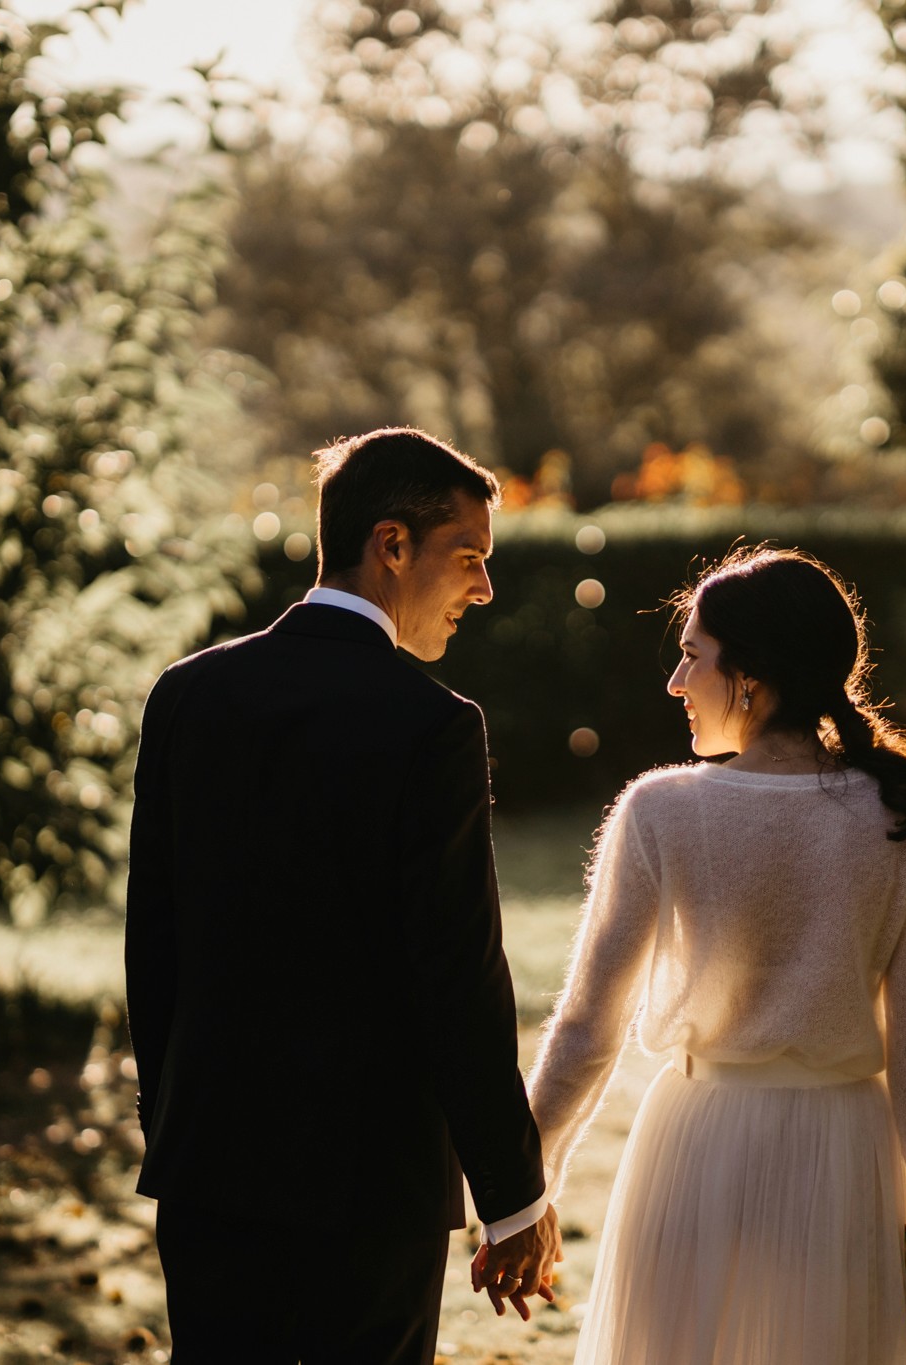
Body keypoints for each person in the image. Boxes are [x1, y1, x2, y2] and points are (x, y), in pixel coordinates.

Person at [126, 428, 562, 1363]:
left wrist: (170, 1116)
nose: (484, 589)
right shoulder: (433, 727)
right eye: (470, 557)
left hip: (207, 1164)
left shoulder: (185, 696)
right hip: (371, 1186)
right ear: (392, 545)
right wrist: (514, 1196)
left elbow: (152, 942)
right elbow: (459, 976)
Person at [526, 546, 906, 1365]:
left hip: (696, 1145)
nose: (674, 681)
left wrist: (524, 1188)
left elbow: (588, 1023)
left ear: (752, 678)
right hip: (843, 1158)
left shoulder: (659, 811)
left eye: (692, 656)